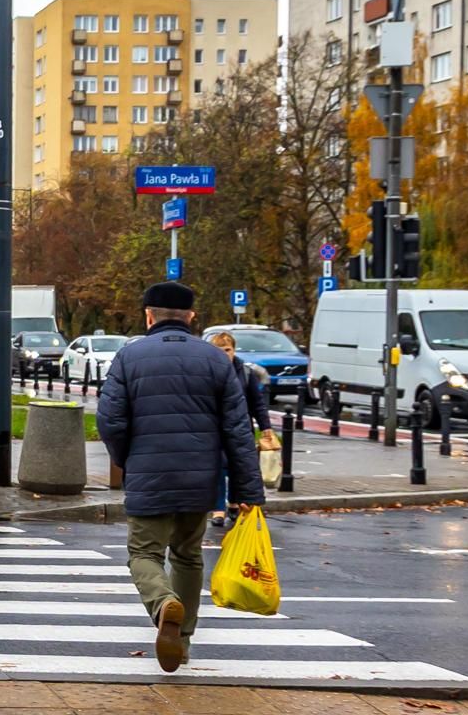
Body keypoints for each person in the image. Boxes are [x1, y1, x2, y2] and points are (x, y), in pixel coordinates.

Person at [97, 281, 264, 673]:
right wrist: (247, 490)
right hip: (201, 479)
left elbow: (110, 420)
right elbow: (238, 431)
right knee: (188, 555)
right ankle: (183, 639)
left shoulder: (128, 357)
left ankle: (162, 604)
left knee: (143, 554)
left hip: (148, 474)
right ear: (190, 317)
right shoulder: (217, 360)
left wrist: (126, 459)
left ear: (148, 315)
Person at [208, 330, 272, 527]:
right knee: (218, 468)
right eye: (219, 350)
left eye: (227, 349)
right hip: (215, 429)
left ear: (234, 350)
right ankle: (218, 509)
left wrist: (266, 427)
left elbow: (257, 403)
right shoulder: (208, 372)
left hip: (241, 428)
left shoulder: (245, 372)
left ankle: (234, 503)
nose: (224, 353)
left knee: (238, 467)